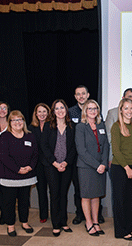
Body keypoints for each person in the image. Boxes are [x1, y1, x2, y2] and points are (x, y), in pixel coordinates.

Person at [0, 110, 38, 236]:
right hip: (9, 176)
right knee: (9, 202)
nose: (18, 122)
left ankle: (24, 222)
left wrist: (30, 167)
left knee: (24, 201)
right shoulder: (5, 136)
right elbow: (3, 156)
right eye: (14, 120)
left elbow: (35, 154)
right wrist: (17, 169)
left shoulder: (30, 136)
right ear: (10, 122)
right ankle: (10, 225)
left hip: (26, 176)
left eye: (20, 119)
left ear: (24, 122)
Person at [41, 99, 76, 237]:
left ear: (66, 110)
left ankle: (63, 222)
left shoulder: (72, 126)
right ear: (53, 111)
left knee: (63, 194)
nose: (60, 110)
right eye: (57, 108)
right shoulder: (49, 126)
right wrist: (55, 163)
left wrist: (66, 162)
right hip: (51, 166)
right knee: (54, 194)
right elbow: (44, 147)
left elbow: (73, 148)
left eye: (62, 107)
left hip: (66, 165)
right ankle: (56, 224)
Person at [75, 100, 109, 236]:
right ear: (85, 111)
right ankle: (88, 222)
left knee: (96, 196)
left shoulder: (101, 124)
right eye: (89, 109)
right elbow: (81, 150)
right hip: (86, 167)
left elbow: (106, 145)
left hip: (101, 166)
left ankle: (96, 222)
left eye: (95, 108)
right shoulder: (80, 127)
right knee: (86, 196)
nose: (93, 111)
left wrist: (104, 163)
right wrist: (97, 165)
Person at [110, 98, 132, 241]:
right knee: (120, 201)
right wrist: (127, 168)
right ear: (121, 110)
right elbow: (115, 150)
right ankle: (120, 231)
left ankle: (129, 228)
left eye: (131, 108)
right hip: (119, 168)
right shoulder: (116, 127)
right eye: (126, 108)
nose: (129, 111)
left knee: (130, 200)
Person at [68, 85, 91, 225]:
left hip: (92, 156)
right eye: (78, 94)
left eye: (83, 93)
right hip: (76, 156)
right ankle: (79, 214)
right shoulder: (70, 112)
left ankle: (97, 213)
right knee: (78, 186)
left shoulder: (94, 110)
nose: (81, 96)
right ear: (75, 97)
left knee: (93, 186)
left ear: (88, 95)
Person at [105, 88, 132, 161]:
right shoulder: (112, 113)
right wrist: (111, 158)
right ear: (123, 98)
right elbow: (109, 138)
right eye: (129, 97)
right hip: (118, 157)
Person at [28, 103, 51, 223]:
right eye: (39, 112)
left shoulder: (52, 126)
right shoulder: (30, 128)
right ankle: (43, 215)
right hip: (37, 164)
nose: (42, 114)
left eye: (44, 111)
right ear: (35, 114)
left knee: (53, 190)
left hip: (51, 163)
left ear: (48, 113)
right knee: (41, 190)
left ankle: (55, 213)